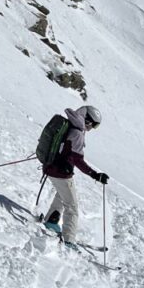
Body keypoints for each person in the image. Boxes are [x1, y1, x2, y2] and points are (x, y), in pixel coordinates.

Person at [38, 105, 108, 248]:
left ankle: (52, 220)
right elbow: (78, 160)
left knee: (63, 194)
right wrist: (95, 175)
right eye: (93, 125)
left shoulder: (71, 123)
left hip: (51, 167)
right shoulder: (77, 132)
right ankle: (69, 240)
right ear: (87, 119)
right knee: (72, 206)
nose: (92, 128)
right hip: (60, 172)